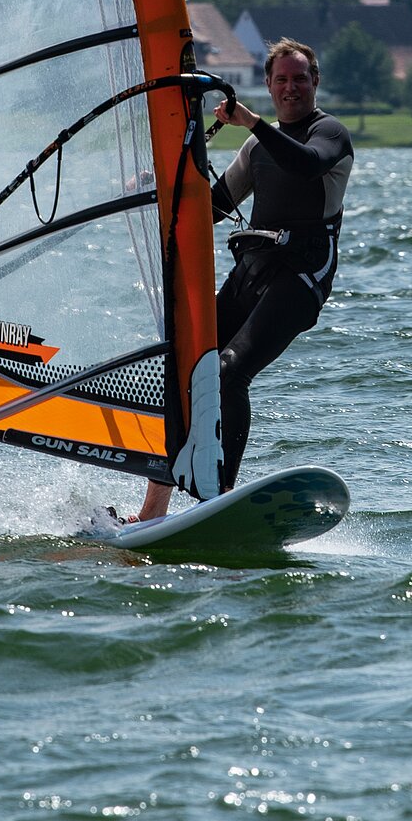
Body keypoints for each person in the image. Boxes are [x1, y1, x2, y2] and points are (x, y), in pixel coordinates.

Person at [132, 37, 353, 520]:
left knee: (229, 373)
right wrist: (160, 186)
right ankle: (153, 509)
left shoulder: (330, 134)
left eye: (299, 78)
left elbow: (305, 162)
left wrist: (252, 120)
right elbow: (209, 208)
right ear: (270, 85)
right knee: (183, 367)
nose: (291, 87)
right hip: (251, 272)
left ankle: (215, 502)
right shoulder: (256, 147)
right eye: (281, 79)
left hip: (301, 279)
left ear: (315, 81)